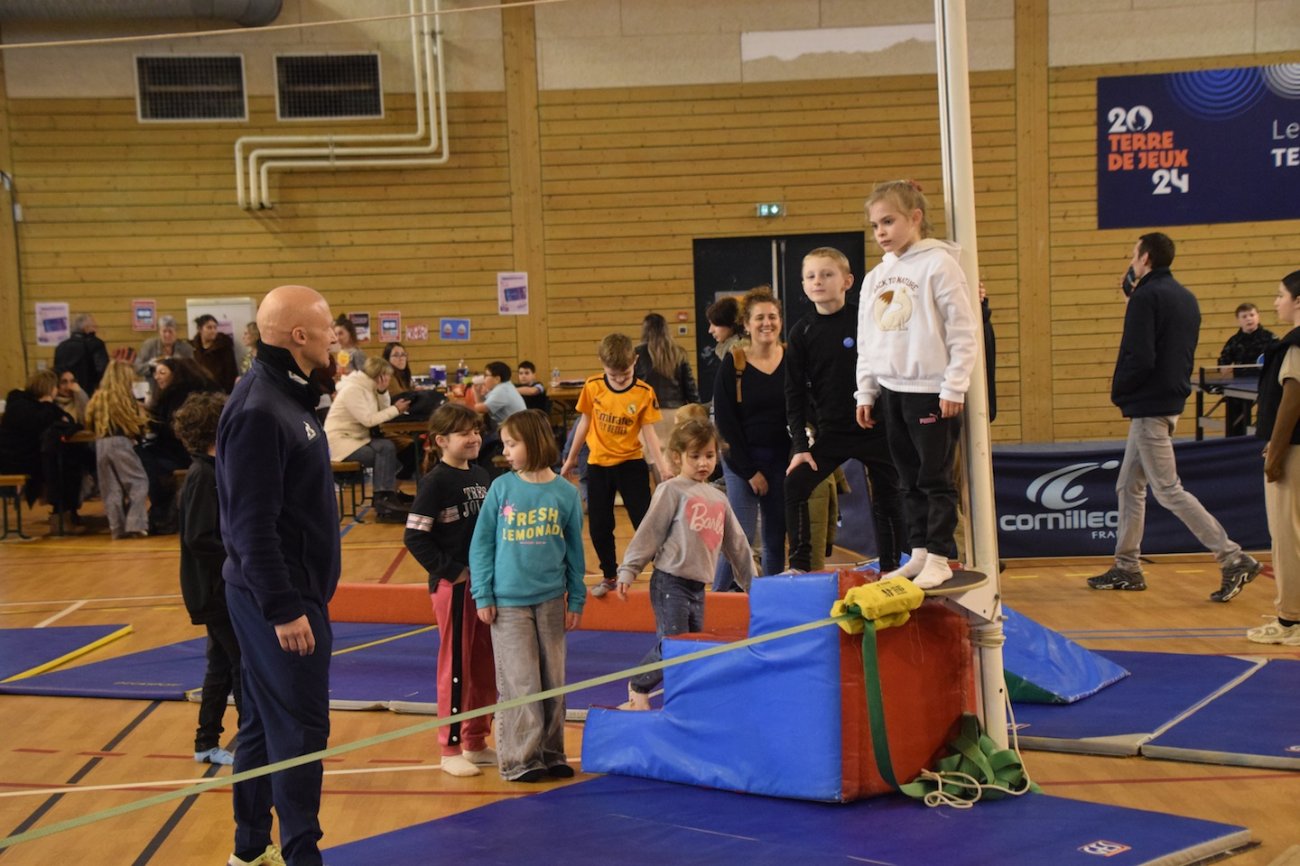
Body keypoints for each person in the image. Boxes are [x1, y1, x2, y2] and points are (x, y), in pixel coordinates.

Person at [216, 284, 342, 866]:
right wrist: (284, 608)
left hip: (292, 590)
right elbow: (250, 526)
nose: (334, 335)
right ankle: (301, 856)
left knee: (265, 725)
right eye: (328, 326)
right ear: (299, 335)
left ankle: (249, 850)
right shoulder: (259, 410)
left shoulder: (290, 394)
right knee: (300, 731)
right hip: (281, 597)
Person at [1086, 233, 1261, 601]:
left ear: (1146, 258)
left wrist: (1120, 391)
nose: (1131, 261)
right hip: (1167, 402)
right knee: (1129, 485)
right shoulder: (1185, 297)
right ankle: (1127, 566)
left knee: (1167, 490)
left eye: (1134, 255)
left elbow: (1140, 355)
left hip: (1150, 405)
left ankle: (1233, 557)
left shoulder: (1146, 298)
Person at [854, 180, 979, 589]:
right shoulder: (876, 277)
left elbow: (963, 329)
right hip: (892, 389)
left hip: (930, 391)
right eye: (875, 225)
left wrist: (954, 385)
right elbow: (868, 339)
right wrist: (866, 390)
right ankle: (920, 551)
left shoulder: (939, 264)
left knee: (934, 478)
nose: (881, 232)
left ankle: (941, 556)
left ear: (915, 218)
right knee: (906, 479)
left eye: (888, 221)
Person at [469, 409, 585, 783]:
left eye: (511, 444)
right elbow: (481, 544)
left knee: (553, 680)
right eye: (504, 444)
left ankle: (551, 752)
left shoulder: (565, 493)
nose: (505, 451)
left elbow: (575, 551)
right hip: (508, 602)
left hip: (550, 599)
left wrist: (576, 598)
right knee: (521, 682)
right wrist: (483, 594)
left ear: (533, 443)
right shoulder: (502, 488)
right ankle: (521, 758)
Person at [614, 418, 754, 710]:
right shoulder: (672, 490)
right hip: (670, 582)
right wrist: (629, 568)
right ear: (678, 457)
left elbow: (737, 544)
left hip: (697, 586)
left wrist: (755, 585)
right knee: (675, 644)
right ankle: (639, 684)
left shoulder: (718, 498)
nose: (703, 463)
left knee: (692, 648)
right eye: (695, 456)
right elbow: (649, 532)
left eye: (709, 455)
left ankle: (682, 703)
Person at [784, 247, 906, 575]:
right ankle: (799, 565)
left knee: (889, 495)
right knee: (796, 484)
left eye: (827, 274)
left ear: (847, 281)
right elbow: (793, 394)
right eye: (811, 276)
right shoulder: (801, 332)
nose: (818, 281)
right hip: (832, 433)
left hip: (875, 427)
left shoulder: (867, 320)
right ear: (803, 285)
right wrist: (800, 447)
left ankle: (893, 566)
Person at [403, 403, 496, 777]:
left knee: (484, 665)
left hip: (484, 585)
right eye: (464, 433)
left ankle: (475, 740)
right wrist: (451, 571)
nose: (473, 438)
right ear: (441, 440)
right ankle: (450, 746)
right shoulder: (436, 482)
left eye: (476, 431)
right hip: (454, 586)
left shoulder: (482, 474)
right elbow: (415, 536)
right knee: (456, 666)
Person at [559, 333, 673, 598]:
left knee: (645, 522)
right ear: (602, 365)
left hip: (631, 465)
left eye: (626, 374)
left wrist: (662, 466)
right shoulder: (593, 386)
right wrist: (571, 457)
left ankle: (664, 572)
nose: (620, 380)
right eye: (614, 375)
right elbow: (585, 422)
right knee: (599, 526)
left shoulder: (644, 392)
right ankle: (609, 574)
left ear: (635, 361)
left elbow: (649, 433)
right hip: (598, 465)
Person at [173, 390, 242, 766]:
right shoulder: (203, 475)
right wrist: (238, 558)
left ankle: (206, 742)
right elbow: (199, 537)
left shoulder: (214, 470)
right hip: (213, 589)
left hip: (216, 585)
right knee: (241, 662)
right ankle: (252, 738)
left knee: (221, 664)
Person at [711, 286, 790, 588]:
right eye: (759, 318)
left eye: (772, 317)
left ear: (780, 320)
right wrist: (749, 472)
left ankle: (771, 597)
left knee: (775, 537)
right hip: (741, 459)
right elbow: (725, 424)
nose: (766, 323)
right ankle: (718, 599)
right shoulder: (734, 363)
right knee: (739, 538)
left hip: (781, 461)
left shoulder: (791, 359)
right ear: (746, 324)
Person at [1248, 270, 1300, 645]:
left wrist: (1277, 452)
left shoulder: (1294, 345)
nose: (1276, 302)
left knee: (1287, 538)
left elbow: (1293, 399)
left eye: (1281, 295)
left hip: (1294, 453)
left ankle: (1290, 620)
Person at [323, 357, 413, 523]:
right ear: (380, 375)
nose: (388, 379)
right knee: (386, 453)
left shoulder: (368, 388)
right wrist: (395, 409)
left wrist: (382, 392)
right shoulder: (353, 389)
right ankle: (383, 499)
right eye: (387, 376)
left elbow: (383, 412)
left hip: (356, 438)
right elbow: (369, 420)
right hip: (340, 442)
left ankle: (385, 496)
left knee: (389, 449)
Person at [140, 357, 219, 535]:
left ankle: (161, 514)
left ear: (175, 374)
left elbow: (173, 429)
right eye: (156, 373)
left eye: (162, 372)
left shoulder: (178, 395)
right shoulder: (194, 390)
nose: (157, 377)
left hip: (184, 452)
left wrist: (148, 420)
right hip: (190, 450)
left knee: (145, 459)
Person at [0, 369, 86, 531]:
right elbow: (52, 420)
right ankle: (61, 519)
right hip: (17, 462)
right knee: (64, 466)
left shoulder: (28, 405)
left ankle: (64, 516)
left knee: (67, 460)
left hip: (21, 457)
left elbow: (66, 419)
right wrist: (48, 403)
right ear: (49, 388)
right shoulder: (25, 407)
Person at [84, 360, 151, 539]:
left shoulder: (98, 397)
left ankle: (117, 528)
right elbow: (137, 424)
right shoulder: (125, 398)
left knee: (110, 488)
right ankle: (135, 524)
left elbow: (88, 420)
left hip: (101, 443)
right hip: (121, 441)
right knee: (138, 482)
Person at [634, 313, 699, 452]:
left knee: (652, 457)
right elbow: (690, 388)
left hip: (648, 414)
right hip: (676, 413)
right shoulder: (679, 352)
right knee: (676, 456)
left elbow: (632, 387)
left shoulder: (637, 354)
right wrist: (698, 412)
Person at [1217, 302, 1274, 437]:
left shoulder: (1270, 339)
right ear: (1238, 320)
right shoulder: (1234, 341)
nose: (1249, 319)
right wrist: (1224, 368)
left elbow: (1279, 360)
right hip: (1239, 384)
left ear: (1258, 316)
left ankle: (1265, 440)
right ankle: (1234, 441)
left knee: (1268, 413)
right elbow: (1223, 362)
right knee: (1234, 416)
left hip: (1264, 383)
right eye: (1244, 316)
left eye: (1252, 315)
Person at [135, 315, 195, 401]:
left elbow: (193, 371)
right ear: (159, 332)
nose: (167, 335)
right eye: (164, 331)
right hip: (154, 392)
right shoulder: (149, 346)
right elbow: (137, 368)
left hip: (179, 393)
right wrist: (150, 366)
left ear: (176, 332)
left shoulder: (186, 348)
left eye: (170, 331)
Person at [54, 312, 109, 396]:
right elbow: (103, 371)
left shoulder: (61, 346)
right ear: (86, 328)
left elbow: (56, 371)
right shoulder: (95, 344)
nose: (96, 329)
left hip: (65, 393)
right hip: (88, 393)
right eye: (94, 326)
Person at [699, 296, 741, 405]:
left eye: (715, 324)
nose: (710, 330)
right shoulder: (728, 352)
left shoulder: (737, 354)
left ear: (730, 324)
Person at [191, 314, 239, 393]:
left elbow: (231, 373)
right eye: (209, 327)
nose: (213, 331)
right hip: (199, 392)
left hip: (220, 392)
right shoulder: (193, 348)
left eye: (215, 327)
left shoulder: (224, 347)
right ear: (200, 329)